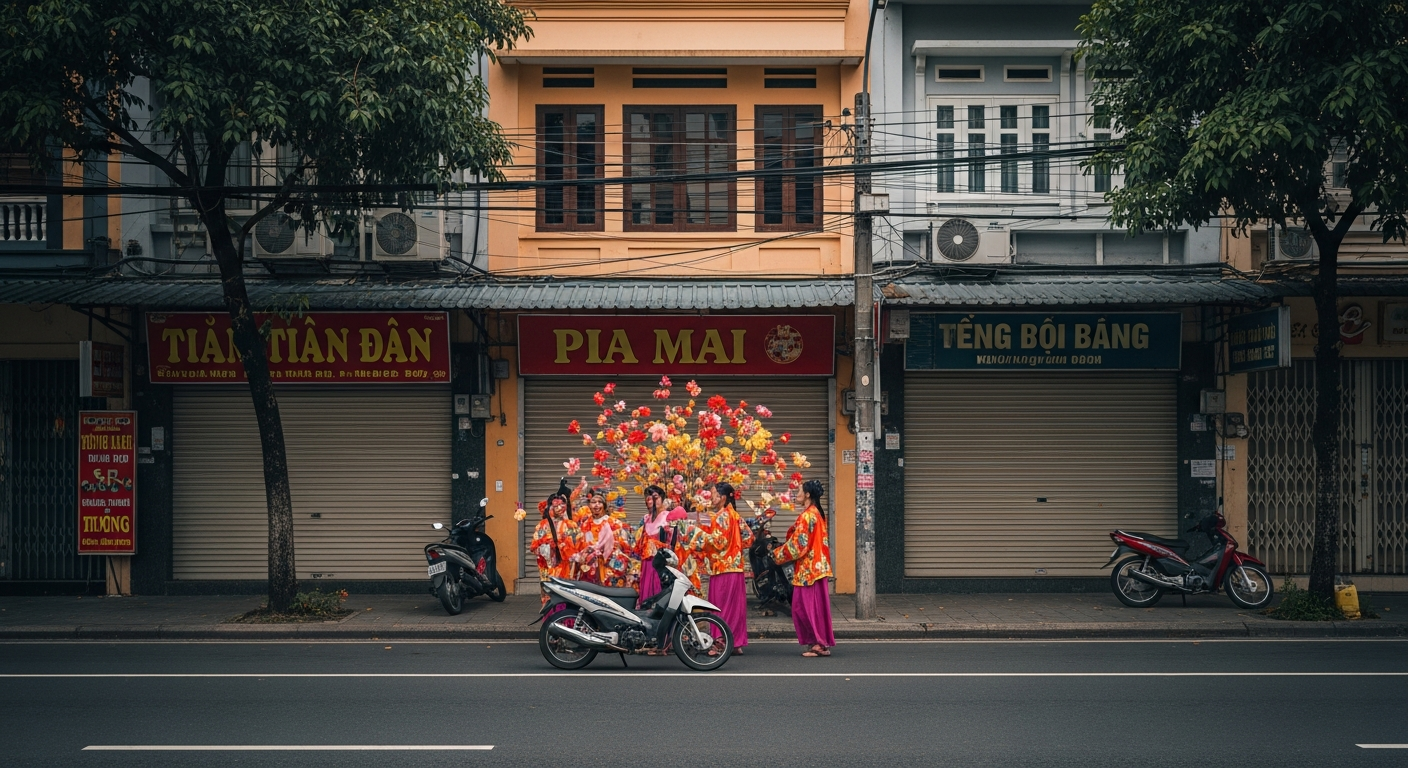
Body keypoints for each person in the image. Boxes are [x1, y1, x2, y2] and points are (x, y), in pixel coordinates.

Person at [772, 479, 835, 657]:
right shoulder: (816, 513)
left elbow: (798, 546)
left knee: (804, 608)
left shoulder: (808, 516)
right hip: (816, 568)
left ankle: (818, 643)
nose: (796, 494)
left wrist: (777, 555)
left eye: (799, 491)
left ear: (807, 495)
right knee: (813, 608)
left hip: (809, 571)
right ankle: (819, 643)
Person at [698, 481, 753, 655]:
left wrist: (698, 539)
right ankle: (735, 643)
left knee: (721, 606)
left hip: (722, 568)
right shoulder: (734, 515)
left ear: (722, 498)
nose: (710, 496)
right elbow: (749, 537)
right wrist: (734, 548)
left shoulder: (722, 516)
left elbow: (717, 542)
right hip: (735, 568)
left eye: (713, 494)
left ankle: (721, 642)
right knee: (734, 607)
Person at [530, 481, 581, 605]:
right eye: (555, 505)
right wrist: (548, 548)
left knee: (569, 596)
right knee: (550, 596)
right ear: (549, 507)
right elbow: (535, 547)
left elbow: (579, 545)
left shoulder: (571, 525)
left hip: (568, 567)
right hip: (549, 567)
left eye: (562, 505)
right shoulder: (542, 526)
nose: (559, 508)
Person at [575, 489, 628, 587]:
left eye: (599, 502)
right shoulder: (585, 525)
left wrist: (610, 548)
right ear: (589, 505)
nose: (596, 505)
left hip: (608, 564)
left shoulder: (614, 523)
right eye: (593, 502)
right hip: (590, 565)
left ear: (604, 505)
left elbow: (624, 544)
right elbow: (580, 545)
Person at [630, 485, 672, 607]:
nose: (652, 501)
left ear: (662, 499)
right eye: (648, 498)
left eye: (655, 497)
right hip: (647, 564)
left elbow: (675, 542)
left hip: (662, 564)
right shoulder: (645, 519)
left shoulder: (668, 517)